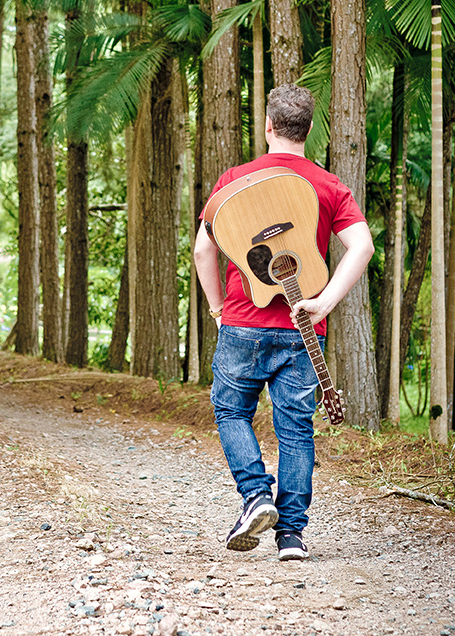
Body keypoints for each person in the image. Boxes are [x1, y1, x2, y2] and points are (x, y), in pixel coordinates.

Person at [193, 83, 374, 561]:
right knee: (296, 428)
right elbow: (362, 246)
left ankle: (255, 495)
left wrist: (217, 310)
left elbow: (202, 249)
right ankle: (291, 536)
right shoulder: (329, 184)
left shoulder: (234, 179)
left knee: (231, 410)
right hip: (303, 327)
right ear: (310, 131)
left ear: (268, 126)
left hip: (243, 320)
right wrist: (325, 302)